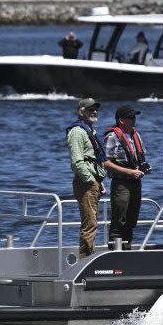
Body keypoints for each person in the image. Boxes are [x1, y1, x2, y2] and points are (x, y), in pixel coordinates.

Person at [103, 105, 150, 250]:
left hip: (136, 183)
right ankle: (114, 254)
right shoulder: (113, 136)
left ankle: (127, 250)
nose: (134, 120)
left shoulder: (136, 135)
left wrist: (143, 168)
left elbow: (137, 158)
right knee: (119, 220)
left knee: (131, 220)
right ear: (121, 120)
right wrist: (129, 172)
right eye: (131, 118)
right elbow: (106, 163)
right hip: (122, 184)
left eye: (134, 117)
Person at [66, 98, 107, 258]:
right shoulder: (77, 132)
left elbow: (93, 159)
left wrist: (99, 182)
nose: (94, 112)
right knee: (89, 224)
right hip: (86, 183)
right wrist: (90, 180)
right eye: (90, 109)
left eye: (95, 109)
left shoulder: (89, 130)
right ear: (81, 112)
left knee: (92, 223)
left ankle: (88, 256)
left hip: (93, 181)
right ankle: (85, 260)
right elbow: (77, 162)